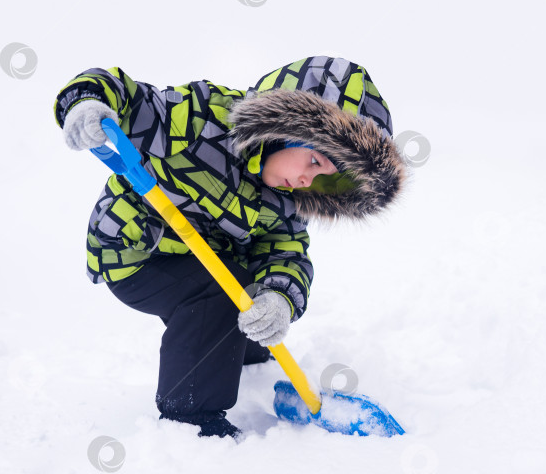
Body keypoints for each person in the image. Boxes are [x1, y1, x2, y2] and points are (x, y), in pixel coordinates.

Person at [53, 55, 408, 439]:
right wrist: (86, 100)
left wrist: (278, 299)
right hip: (134, 251)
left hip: (202, 253)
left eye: (325, 178)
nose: (308, 179)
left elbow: (286, 252)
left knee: (250, 290)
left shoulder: (287, 196)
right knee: (222, 294)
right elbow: (135, 100)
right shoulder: (202, 121)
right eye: (314, 159)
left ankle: (246, 356)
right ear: (284, 128)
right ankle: (190, 417)